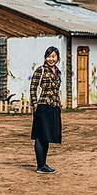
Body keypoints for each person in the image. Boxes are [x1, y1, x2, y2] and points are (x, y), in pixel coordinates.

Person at [30, 46, 62, 174]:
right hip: (42, 106)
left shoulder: (58, 72)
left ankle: (44, 164)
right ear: (45, 57)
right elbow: (33, 88)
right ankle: (40, 165)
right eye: (48, 56)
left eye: (53, 56)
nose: (51, 59)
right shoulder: (40, 70)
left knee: (47, 136)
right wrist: (35, 105)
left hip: (54, 106)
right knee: (40, 135)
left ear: (57, 58)